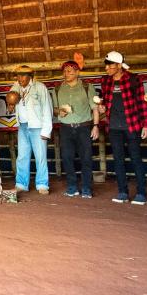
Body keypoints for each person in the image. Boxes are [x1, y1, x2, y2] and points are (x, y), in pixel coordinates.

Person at [98, 51, 147, 205]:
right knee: (118, 159)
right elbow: (105, 101)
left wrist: (146, 124)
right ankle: (122, 192)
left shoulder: (133, 79)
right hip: (113, 127)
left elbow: (142, 103)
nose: (107, 68)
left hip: (132, 125)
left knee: (136, 159)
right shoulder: (106, 81)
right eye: (106, 65)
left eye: (110, 65)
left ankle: (141, 193)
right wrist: (102, 107)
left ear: (119, 65)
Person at [54, 60, 99, 199]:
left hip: (84, 127)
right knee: (67, 158)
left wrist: (96, 126)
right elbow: (55, 109)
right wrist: (59, 112)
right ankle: (72, 187)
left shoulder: (87, 87)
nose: (66, 74)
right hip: (66, 128)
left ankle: (86, 188)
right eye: (64, 71)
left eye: (69, 71)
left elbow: (95, 108)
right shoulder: (57, 88)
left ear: (77, 72)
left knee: (86, 158)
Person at [7, 64, 52, 193]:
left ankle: (42, 185)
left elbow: (47, 109)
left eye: (23, 76)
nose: (19, 78)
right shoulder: (16, 88)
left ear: (30, 76)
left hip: (37, 127)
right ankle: (21, 184)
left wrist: (46, 131)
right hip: (23, 126)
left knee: (41, 156)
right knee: (22, 156)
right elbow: (11, 105)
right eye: (18, 76)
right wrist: (10, 107)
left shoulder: (40, 87)